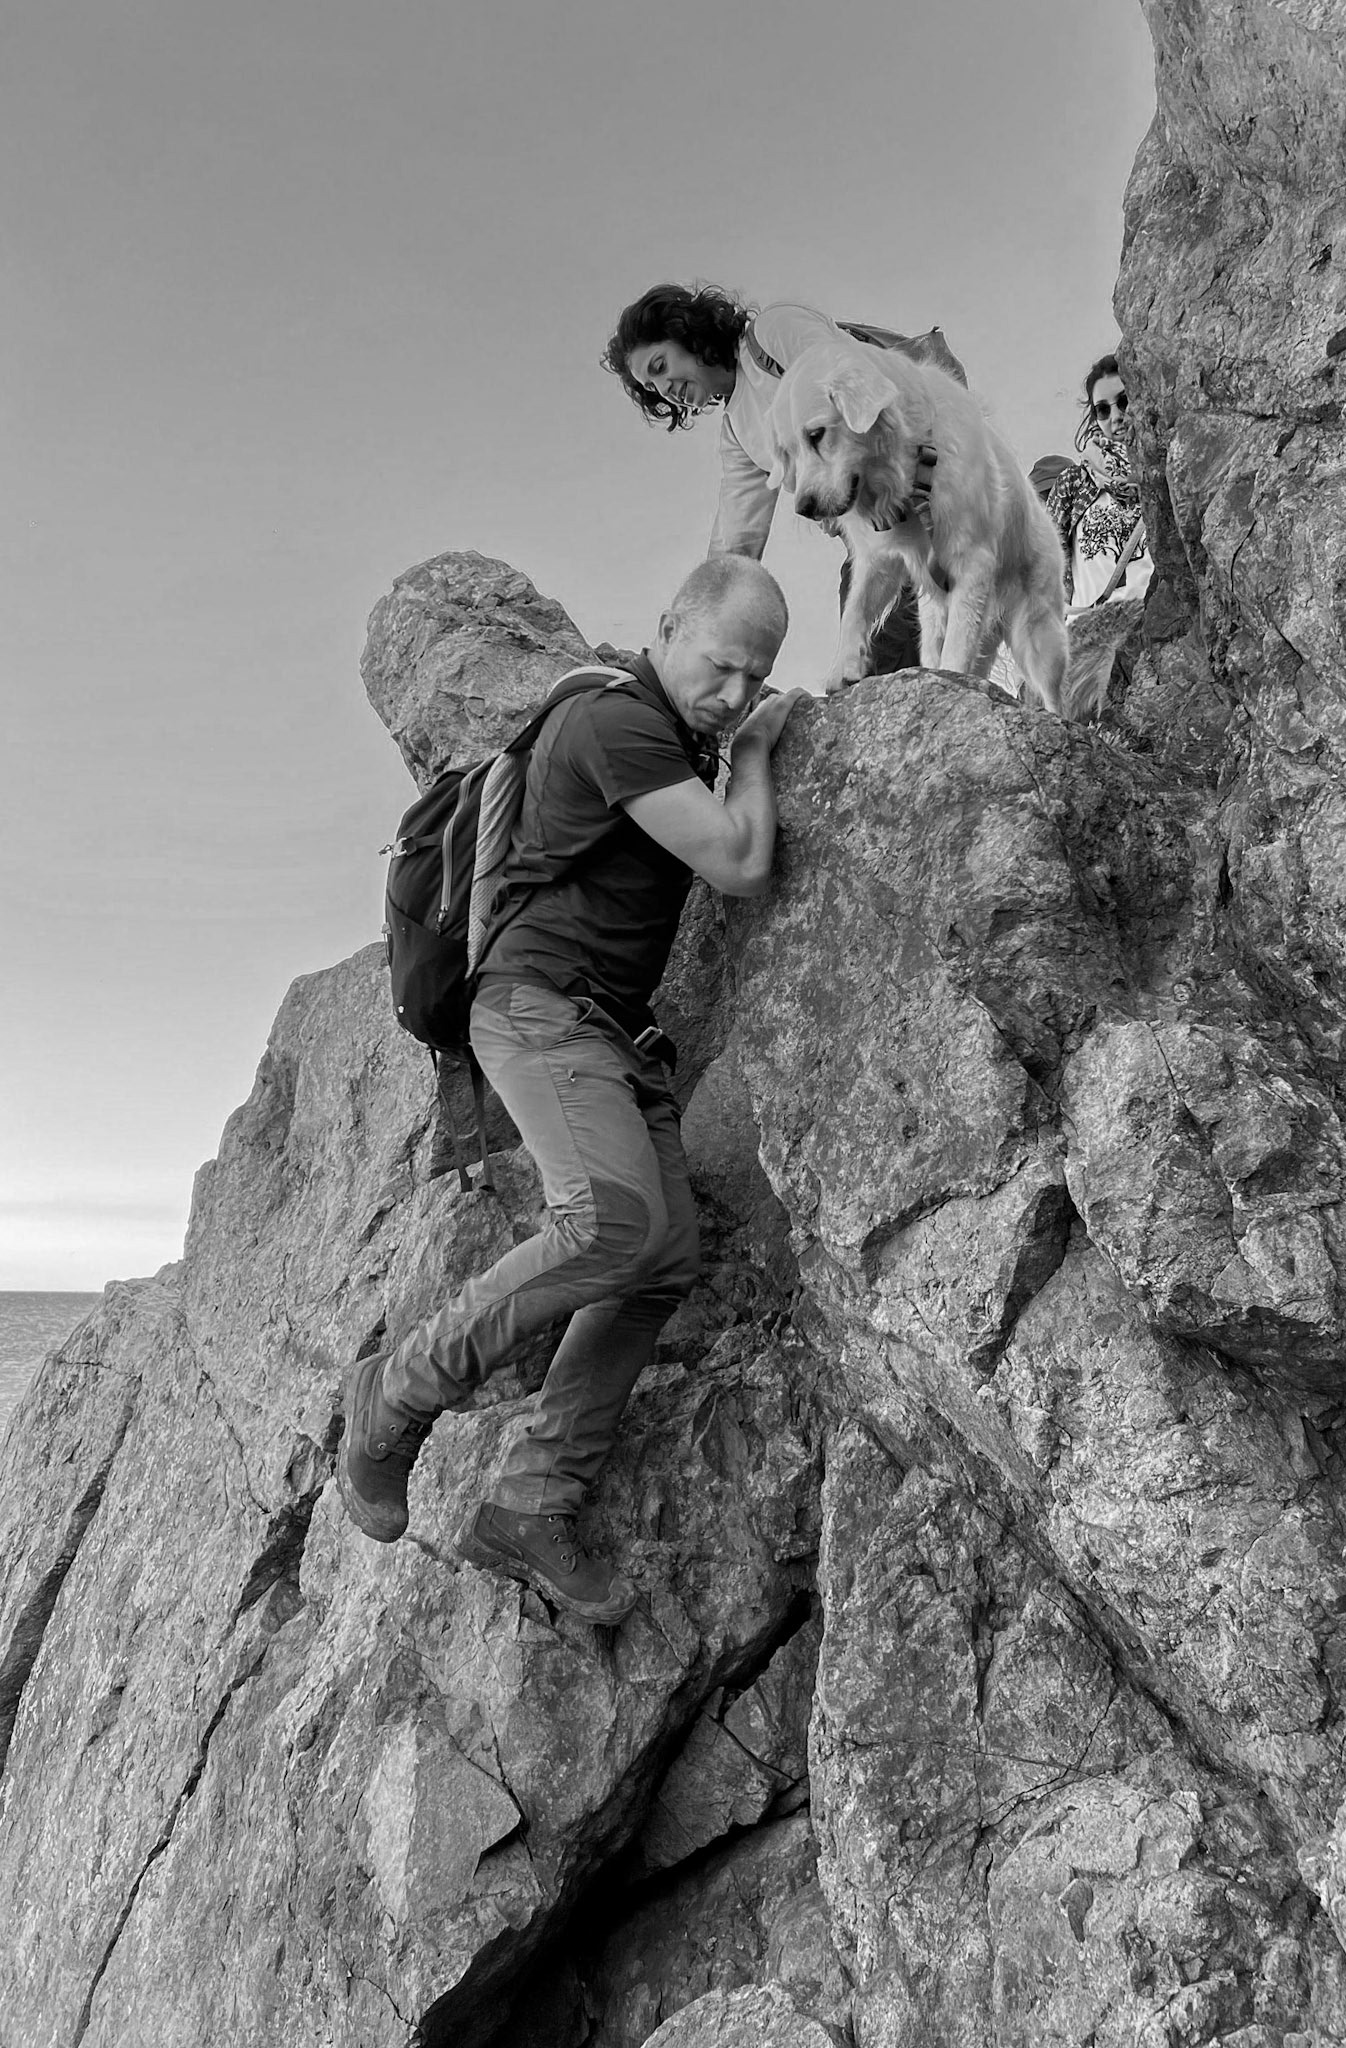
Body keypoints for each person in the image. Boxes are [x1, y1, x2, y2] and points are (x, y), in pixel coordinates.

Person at [339, 555, 804, 1627]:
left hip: (610, 1033)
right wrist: (761, 748)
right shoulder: (618, 723)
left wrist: (726, 742)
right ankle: (394, 1394)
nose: (735, 692)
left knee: (659, 1257)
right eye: (723, 664)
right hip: (538, 1009)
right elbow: (739, 859)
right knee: (607, 1222)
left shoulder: (672, 732)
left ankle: (532, 1496)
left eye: (757, 676)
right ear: (670, 625)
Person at [603, 283, 922, 674]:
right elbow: (734, 543)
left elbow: (854, 380)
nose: (665, 390)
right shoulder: (738, 431)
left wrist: (887, 482)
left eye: (660, 366)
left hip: (921, 480)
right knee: (867, 655)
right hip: (875, 537)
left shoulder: (773, 332)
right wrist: (682, 634)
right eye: (652, 388)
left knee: (883, 652)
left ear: (687, 334)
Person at [1035, 353, 1152, 611]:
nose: (1116, 416)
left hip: (1157, 632)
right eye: (1103, 409)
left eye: (1124, 401)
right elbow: (1048, 577)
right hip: (1091, 639)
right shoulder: (1073, 485)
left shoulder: (1165, 476)